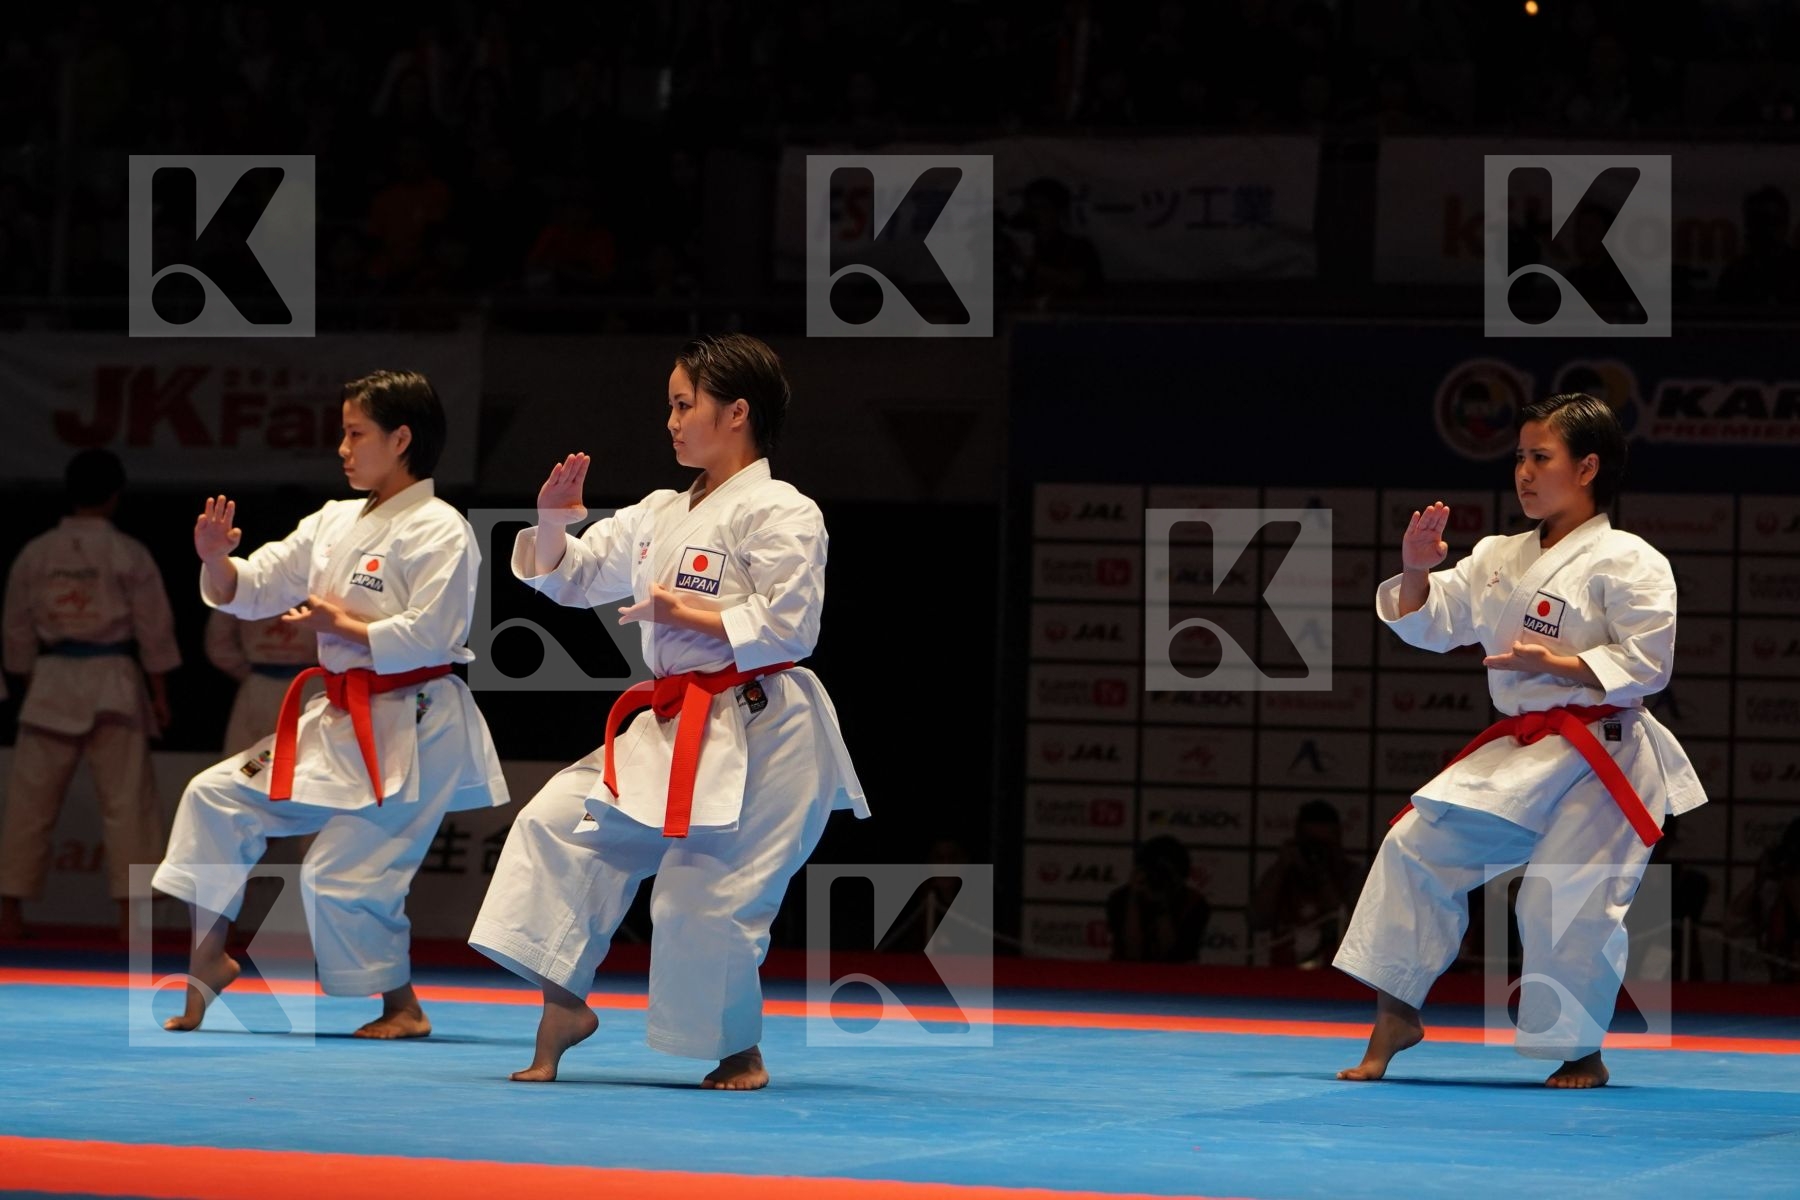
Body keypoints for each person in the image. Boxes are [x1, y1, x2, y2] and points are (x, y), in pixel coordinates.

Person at [469, 333, 866, 1089]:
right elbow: (576, 575)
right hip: (676, 720)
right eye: (671, 406)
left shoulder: (783, 511)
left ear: (737, 412)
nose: (672, 421)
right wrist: (554, 524)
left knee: (706, 892)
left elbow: (792, 626)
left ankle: (737, 1049)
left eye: (686, 405)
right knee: (557, 821)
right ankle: (565, 1002)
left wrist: (693, 617)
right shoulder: (657, 512)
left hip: (765, 728)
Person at [1334, 392, 1706, 1089]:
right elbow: (1433, 619)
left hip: (1605, 750)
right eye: (1520, 458)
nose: (1525, 473)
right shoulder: (1498, 555)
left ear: (1588, 466)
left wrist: (1557, 665)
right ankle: (1396, 1011)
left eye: (1543, 458)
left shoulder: (1631, 560)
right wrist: (1417, 567)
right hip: (1527, 749)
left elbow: (1648, 663)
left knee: (1560, 895)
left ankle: (1579, 1049)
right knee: (1415, 845)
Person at [151, 370, 508, 1038]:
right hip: (340, 717)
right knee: (214, 795)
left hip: (415, 724)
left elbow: (435, 634)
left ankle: (402, 1008)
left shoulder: (440, 529)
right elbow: (257, 586)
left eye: (355, 434)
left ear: (401, 439)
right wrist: (218, 564)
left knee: (339, 876)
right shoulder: (334, 520)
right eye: (342, 434)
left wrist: (341, 626)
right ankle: (209, 957)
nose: (342, 449)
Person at [0, 449, 180, 942]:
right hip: (114, 682)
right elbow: (154, 628)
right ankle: (131, 925)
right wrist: (159, 692)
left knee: (28, 805)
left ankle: (7, 915)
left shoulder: (36, 552)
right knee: (128, 804)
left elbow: (15, 628)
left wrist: (21, 680)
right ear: (115, 495)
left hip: (52, 680)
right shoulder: (127, 552)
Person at [1249, 800, 1359, 968]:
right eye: (1311, 843)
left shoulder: (1352, 875)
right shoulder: (1282, 874)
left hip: (1335, 980)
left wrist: (1323, 875)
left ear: (1338, 841)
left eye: (1325, 845)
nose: (1317, 852)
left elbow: (1350, 927)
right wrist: (1280, 868)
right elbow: (1256, 919)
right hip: (1284, 978)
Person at [1105, 835, 1210, 963]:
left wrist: (1162, 907)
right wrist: (1133, 898)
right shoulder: (1120, 898)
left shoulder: (1195, 904)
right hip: (1126, 976)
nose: (1160, 879)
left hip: (1177, 977)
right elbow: (1130, 953)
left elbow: (1173, 957)